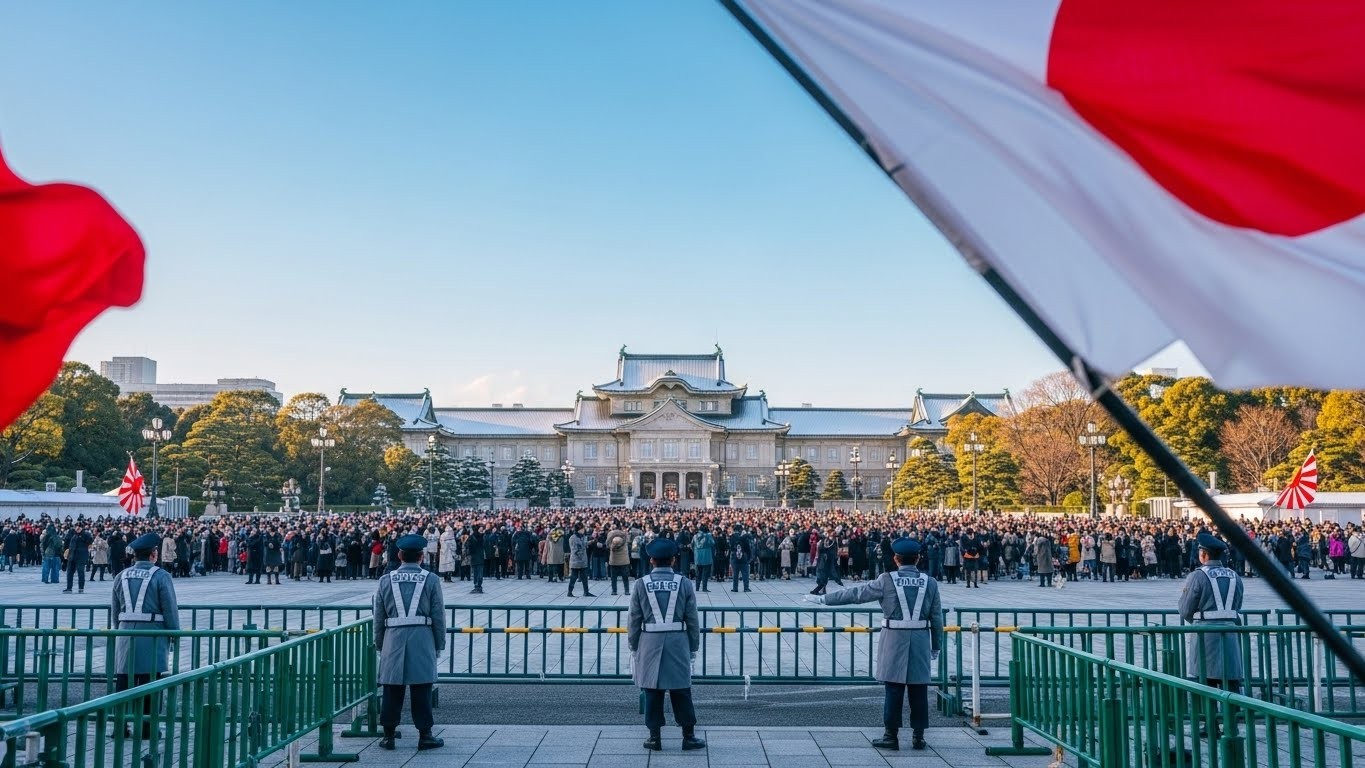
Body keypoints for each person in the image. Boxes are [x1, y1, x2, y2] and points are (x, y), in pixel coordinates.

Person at [806, 538, 943, 751]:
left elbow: (856, 594)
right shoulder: (930, 582)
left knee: (894, 690)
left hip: (894, 640)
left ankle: (891, 736)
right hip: (920, 640)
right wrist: (936, 645)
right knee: (919, 691)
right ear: (918, 559)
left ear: (896, 559)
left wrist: (825, 600)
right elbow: (936, 618)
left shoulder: (887, 580)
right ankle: (919, 737)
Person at [628, 538, 705, 752]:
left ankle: (654, 737)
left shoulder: (641, 584)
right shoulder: (684, 583)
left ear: (651, 560)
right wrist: (694, 647)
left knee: (652, 691)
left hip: (649, 641)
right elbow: (692, 619)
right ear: (673, 560)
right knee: (681, 690)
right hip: (677, 641)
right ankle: (688, 736)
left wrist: (633, 645)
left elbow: (634, 618)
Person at [372, 534, 446, 752]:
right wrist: (438, 643)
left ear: (399, 555)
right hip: (422, 636)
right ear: (422, 557)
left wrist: (380, 643)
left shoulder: (386, 580)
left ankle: (388, 735)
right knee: (421, 687)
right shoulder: (431, 579)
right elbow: (438, 615)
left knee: (392, 688)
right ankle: (425, 735)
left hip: (393, 637)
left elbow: (378, 617)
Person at [109, 532, 180, 739]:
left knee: (123, 683)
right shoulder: (161, 576)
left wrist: (119, 629)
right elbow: (169, 608)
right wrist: (175, 633)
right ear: (154, 554)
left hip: (125, 633)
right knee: (151, 683)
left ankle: (120, 727)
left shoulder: (120, 575)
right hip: (152, 634)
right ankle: (148, 727)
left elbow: (115, 611)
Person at [1178, 533, 1244, 693]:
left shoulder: (1198, 575)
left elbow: (1185, 609)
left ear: (1204, 554)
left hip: (1204, 634)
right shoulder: (1234, 576)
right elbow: (1238, 605)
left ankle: (1210, 716)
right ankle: (1233, 715)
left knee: (1206, 683)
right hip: (1230, 633)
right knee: (1231, 681)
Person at [567, 524, 594, 597]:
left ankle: (586, 592)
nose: (583, 530)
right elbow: (575, 549)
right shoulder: (573, 538)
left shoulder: (583, 537)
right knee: (574, 577)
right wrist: (582, 548)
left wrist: (589, 542)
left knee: (584, 577)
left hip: (583, 561)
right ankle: (569, 592)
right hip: (576, 561)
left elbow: (583, 544)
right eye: (582, 529)